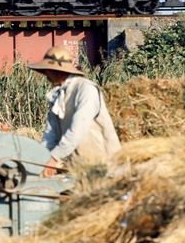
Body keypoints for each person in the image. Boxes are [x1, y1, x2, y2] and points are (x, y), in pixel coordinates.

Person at [29, 46, 121, 177]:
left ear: (55, 71)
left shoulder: (86, 90)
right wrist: (43, 159)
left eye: (46, 71)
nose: (45, 75)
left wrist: (54, 158)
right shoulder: (57, 95)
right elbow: (51, 134)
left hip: (104, 166)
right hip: (78, 168)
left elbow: (77, 130)